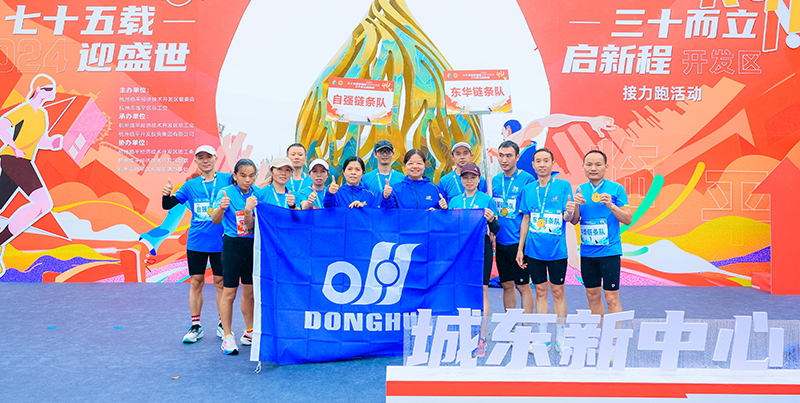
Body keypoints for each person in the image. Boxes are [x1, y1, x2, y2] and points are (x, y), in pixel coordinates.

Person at [162, 146, 232, 343]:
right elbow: (168, 205)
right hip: (196, 242)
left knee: (220, 283)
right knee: (196, 282)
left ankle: (223, 324)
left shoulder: (228, 179)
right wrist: (166, 194)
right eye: (200, 157)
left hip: (221, 241)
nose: (205, 160)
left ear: (215, 158)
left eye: (208, 156)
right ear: (196, 161)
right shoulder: (190, 185)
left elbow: (247, 184)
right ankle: (196, 326)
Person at [0, 74, 63, 275]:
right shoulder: (25, 109)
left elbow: (40, 140)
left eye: (53, 89)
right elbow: (2, 125)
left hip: (22, 161)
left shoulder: (42, 114)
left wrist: (52, 143)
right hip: (14, 159)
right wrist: (14, 146)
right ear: (38, 90)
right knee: (44, 203)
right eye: (48, 89)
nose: (53, 92)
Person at [516, 148, 576, 352]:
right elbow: (526, 219)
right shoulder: (528, 189)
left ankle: (561, 336)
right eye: (538, 161)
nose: (542, 164)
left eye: (546, 161)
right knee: (540, 291)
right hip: (534, 250)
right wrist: (520, 249)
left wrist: (569, 213)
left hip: (557, 250)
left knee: (558, 292)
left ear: (552, 164)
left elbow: (567, 218)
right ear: (533, 165)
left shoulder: (563, 186)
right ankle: (543, 337)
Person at [572, 150, 632, 316]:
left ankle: (614, 332)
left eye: (598, 164)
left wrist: (611, 206)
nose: (593, 168)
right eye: (589, 164)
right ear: (583, 167)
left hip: (609, 252)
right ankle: (598, 330)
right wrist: (575, 205)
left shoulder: (616, 189)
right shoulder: (580, 190)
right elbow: (574, 220)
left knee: (612, 297)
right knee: (592, 295)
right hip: (588, 253)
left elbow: (628, 219)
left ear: (606, 167)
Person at [210, 158, 261, 355]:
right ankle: (227, 336)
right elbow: (215, 221)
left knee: (249, 293)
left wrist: (249, 210)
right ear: (235, 176)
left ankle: (249, 332)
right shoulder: (226, 193)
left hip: (252, 246)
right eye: (243, 175)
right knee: (229, 293)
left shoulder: (257, 194)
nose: (247, 180)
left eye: (251, 176)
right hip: (232, 246)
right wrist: (221, 208)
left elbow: (251, 225)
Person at [450, 163, 499, 358]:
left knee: (482, 291)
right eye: (465, 177)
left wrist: (492, 220)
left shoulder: (487, 200)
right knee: (460, 289)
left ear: (479, 180)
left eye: (473, 177)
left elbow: (496, 229)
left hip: (481, 248)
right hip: (460, 250)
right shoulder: (454, 201)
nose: (469, 181)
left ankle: (482, 335)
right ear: (461, 180)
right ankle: (461, 333)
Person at [490, 141, 535, 315]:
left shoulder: (527, 180)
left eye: (509, 156)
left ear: (517, 157)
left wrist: (521, 247)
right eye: (501, 155)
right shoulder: (495, 180)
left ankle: (526, 323)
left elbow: (528, 216)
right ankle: (510, 322)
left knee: (523, 285)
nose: (504, 160)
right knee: (507, 285)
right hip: (501, 242)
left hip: (519, 242)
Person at [382, 149, 448, 210]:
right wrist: (386, 197)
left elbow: (443, 215)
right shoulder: (395, 189)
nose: (415, 166)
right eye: (410, 163)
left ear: (424, 166)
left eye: (419, 163)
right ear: (405, 166)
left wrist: (439, 211)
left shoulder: (435, 189)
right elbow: (388, 213)